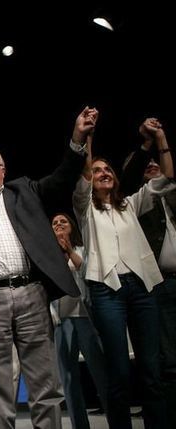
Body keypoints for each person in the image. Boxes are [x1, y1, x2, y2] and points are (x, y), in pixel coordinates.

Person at [0, 106, 98, 429]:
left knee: (45, 383)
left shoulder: (23, 190)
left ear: (3, 169)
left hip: (31, 292)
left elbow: (63, 177)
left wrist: (78, 138)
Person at [73, 125, 174, 429]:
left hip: (142, 288)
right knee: (118, 371)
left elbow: (167, 179)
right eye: (98, 169)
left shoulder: (131, 204)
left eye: (109, 170)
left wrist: (160, 139)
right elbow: (84, 179)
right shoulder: (84, 208)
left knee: (151, 370)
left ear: (116, 178)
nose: (103, 173)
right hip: (107, 290)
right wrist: (88, 140)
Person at [121, 117, 176, 427]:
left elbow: (169, 176)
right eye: (145, 166)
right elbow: (130, 179)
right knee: (163, 365)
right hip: (158, 288)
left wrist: (161, 138)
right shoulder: (133, 204)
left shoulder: (173, 197)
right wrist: (146, 146)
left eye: (155, 163)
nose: (152, 166)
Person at [49, 213, 108, 429]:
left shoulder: (83, 250)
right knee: (69, 378)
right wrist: (58, 253)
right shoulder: (48, 256)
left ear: (72, 227)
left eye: (63, 222)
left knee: (100, 372)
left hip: (84, 316)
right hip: (60, 320)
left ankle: (115, 419)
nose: (59, 225)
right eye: (54, 223)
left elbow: (86, 271)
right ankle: (79, 425)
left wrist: (69, 251)